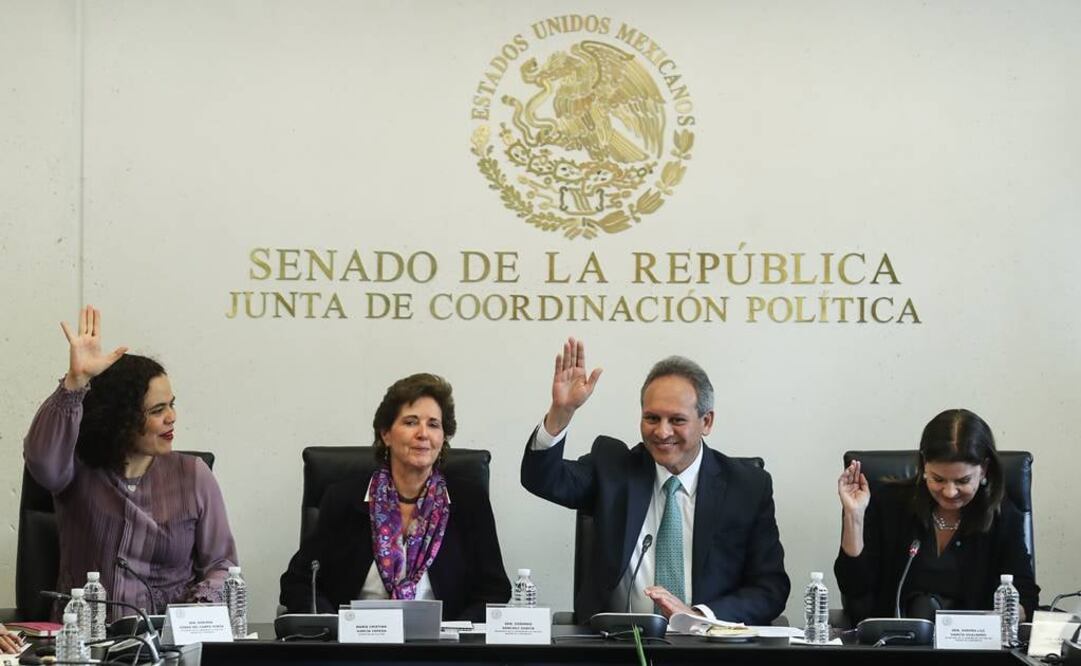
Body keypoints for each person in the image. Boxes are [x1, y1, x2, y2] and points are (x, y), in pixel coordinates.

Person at [520, 338, 790, 624]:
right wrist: (561, 414)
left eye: (677, 420)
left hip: (710, 646)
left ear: (707, 422)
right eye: (651, 418)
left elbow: (769, 589)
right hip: (618, 647)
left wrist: (698, 616)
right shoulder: (613, 468)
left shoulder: (746, 487)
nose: (662, 432)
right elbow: (543, 479)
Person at [23, 306, 239, 618]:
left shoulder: (194, 475)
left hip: (164, 646)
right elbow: (41, 462)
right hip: (85, 642)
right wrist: (75, 383)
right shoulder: (76, 469)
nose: (171, 418)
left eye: (172, 405)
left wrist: (192, 616)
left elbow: (222, 566)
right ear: (121, 419)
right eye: (157, 410)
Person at [280, 373, 511, 621]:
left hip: (442, 650)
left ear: (443, 437)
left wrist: (456, 635)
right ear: (386, 434)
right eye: (411, 422)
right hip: (357, 649)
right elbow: (299, 582)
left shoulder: (468, 502)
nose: (423, 433)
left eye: (433, 424)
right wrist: (335, 628)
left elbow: (494, 591)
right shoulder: (343, 499)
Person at [834, 408, 1039, 623]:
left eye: (962, 481)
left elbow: (1026, 595)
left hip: (973, 648)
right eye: (938, 479)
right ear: (924, 466)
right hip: (894, 646)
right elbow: (854, 589)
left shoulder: (1003, 515)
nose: (950, 492)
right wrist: (854, 516)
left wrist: (1008, 616)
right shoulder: (889, 503)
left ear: (984, 470)